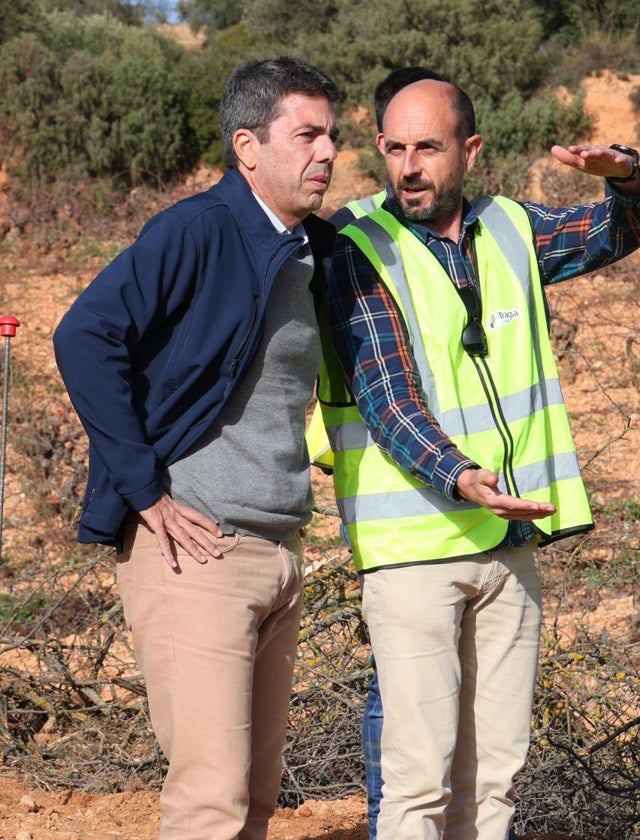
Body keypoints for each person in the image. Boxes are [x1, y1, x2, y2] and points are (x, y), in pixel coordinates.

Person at [316, 73, 640, 839]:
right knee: (419, 786)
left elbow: (619, 231)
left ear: (468, 150)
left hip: (510, 543)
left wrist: (628, 181)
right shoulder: (354, 244)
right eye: (395, 147)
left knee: (495, 783)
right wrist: (462, 479)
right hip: (413, 552)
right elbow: (387, 395)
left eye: (429, 148)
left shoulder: (509, 226)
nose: (409, 166)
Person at [53, 57, 340, 839]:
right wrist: (145, 490)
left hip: (278, 549)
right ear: (248, 146)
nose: (328, 154)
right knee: (209, 803)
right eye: (307, 135)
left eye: (334, 136)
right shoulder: (198, 230)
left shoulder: (314, 248)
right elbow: (84, 336)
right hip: (196, 553)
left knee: (253, 797)